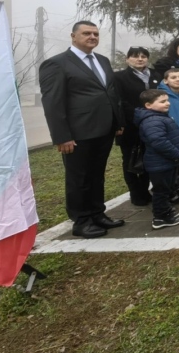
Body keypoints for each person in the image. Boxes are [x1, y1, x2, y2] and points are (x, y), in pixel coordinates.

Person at [39, 21, 125, 239]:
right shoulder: (56, 63)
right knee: (79, 178)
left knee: (97, 175)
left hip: (104, 129)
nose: (92, 37)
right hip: (78, 133)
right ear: (73, 36)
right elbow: (53, 103)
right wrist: (62, 136)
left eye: (95, 33)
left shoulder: (102, 60)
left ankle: (97, 213)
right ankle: (82, 221)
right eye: (87, 33)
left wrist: (118, 122)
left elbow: (111, 93)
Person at [135, 89, 179, 230]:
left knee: (166, 189)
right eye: (162, 101)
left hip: (166, 162)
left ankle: (166, 211)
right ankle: (160, 217)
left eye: (167, 100)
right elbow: (158, 141)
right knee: (161, 191)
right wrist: (176, 153)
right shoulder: (152, 120)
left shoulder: (159, 116)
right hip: (160, 163)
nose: (167, 103)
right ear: (148, 105)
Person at [113, 46, 154, 206]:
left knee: (148, 158)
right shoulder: (119, 77)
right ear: (127, 59)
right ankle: (135, 193)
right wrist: (139, 115)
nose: (140, 59)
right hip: (130, 126)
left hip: (152, 125)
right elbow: (120, 101)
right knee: (130, 160)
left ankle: (145, 190)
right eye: (135, 56)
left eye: (143, 56)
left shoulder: (155, 75)